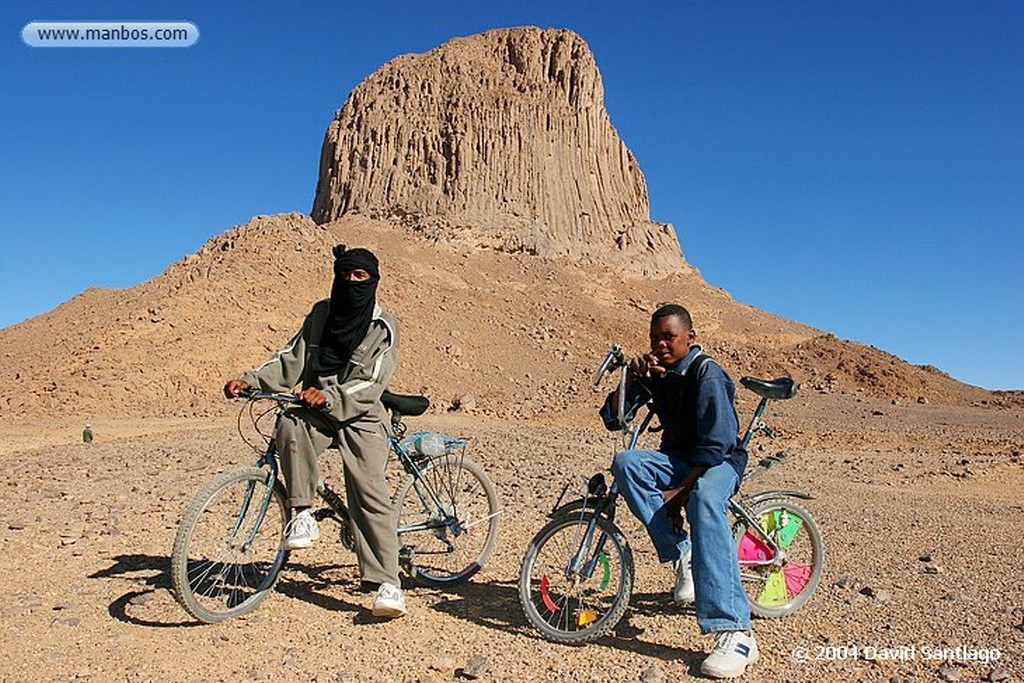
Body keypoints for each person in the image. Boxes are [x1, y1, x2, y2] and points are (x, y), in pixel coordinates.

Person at [223, 245, 406, 618]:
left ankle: (389, 583)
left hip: (363, 415)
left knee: (368, 489)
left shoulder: (383, 326)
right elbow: (291, 358)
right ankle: (302, 512)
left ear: (373, 281)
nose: (351, 282)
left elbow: (371, 382)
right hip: (315, 408)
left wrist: (330, 395)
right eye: (345, 275)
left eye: (360, 277)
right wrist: (250, 380)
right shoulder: (321, 313)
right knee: (289, 423)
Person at [601, 303, 756, 679]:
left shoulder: (708, 374)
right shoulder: (661, 372)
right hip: (680, 458)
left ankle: (736, 631)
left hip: (717, 462)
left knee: (703, 500)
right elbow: (613, 420)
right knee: (626, 464)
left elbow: (717, 445)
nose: (661, 345)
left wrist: (678, 495)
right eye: (655, 338)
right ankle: (682, 553)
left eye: (668, 337)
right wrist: (634, 380)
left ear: (690, 336)